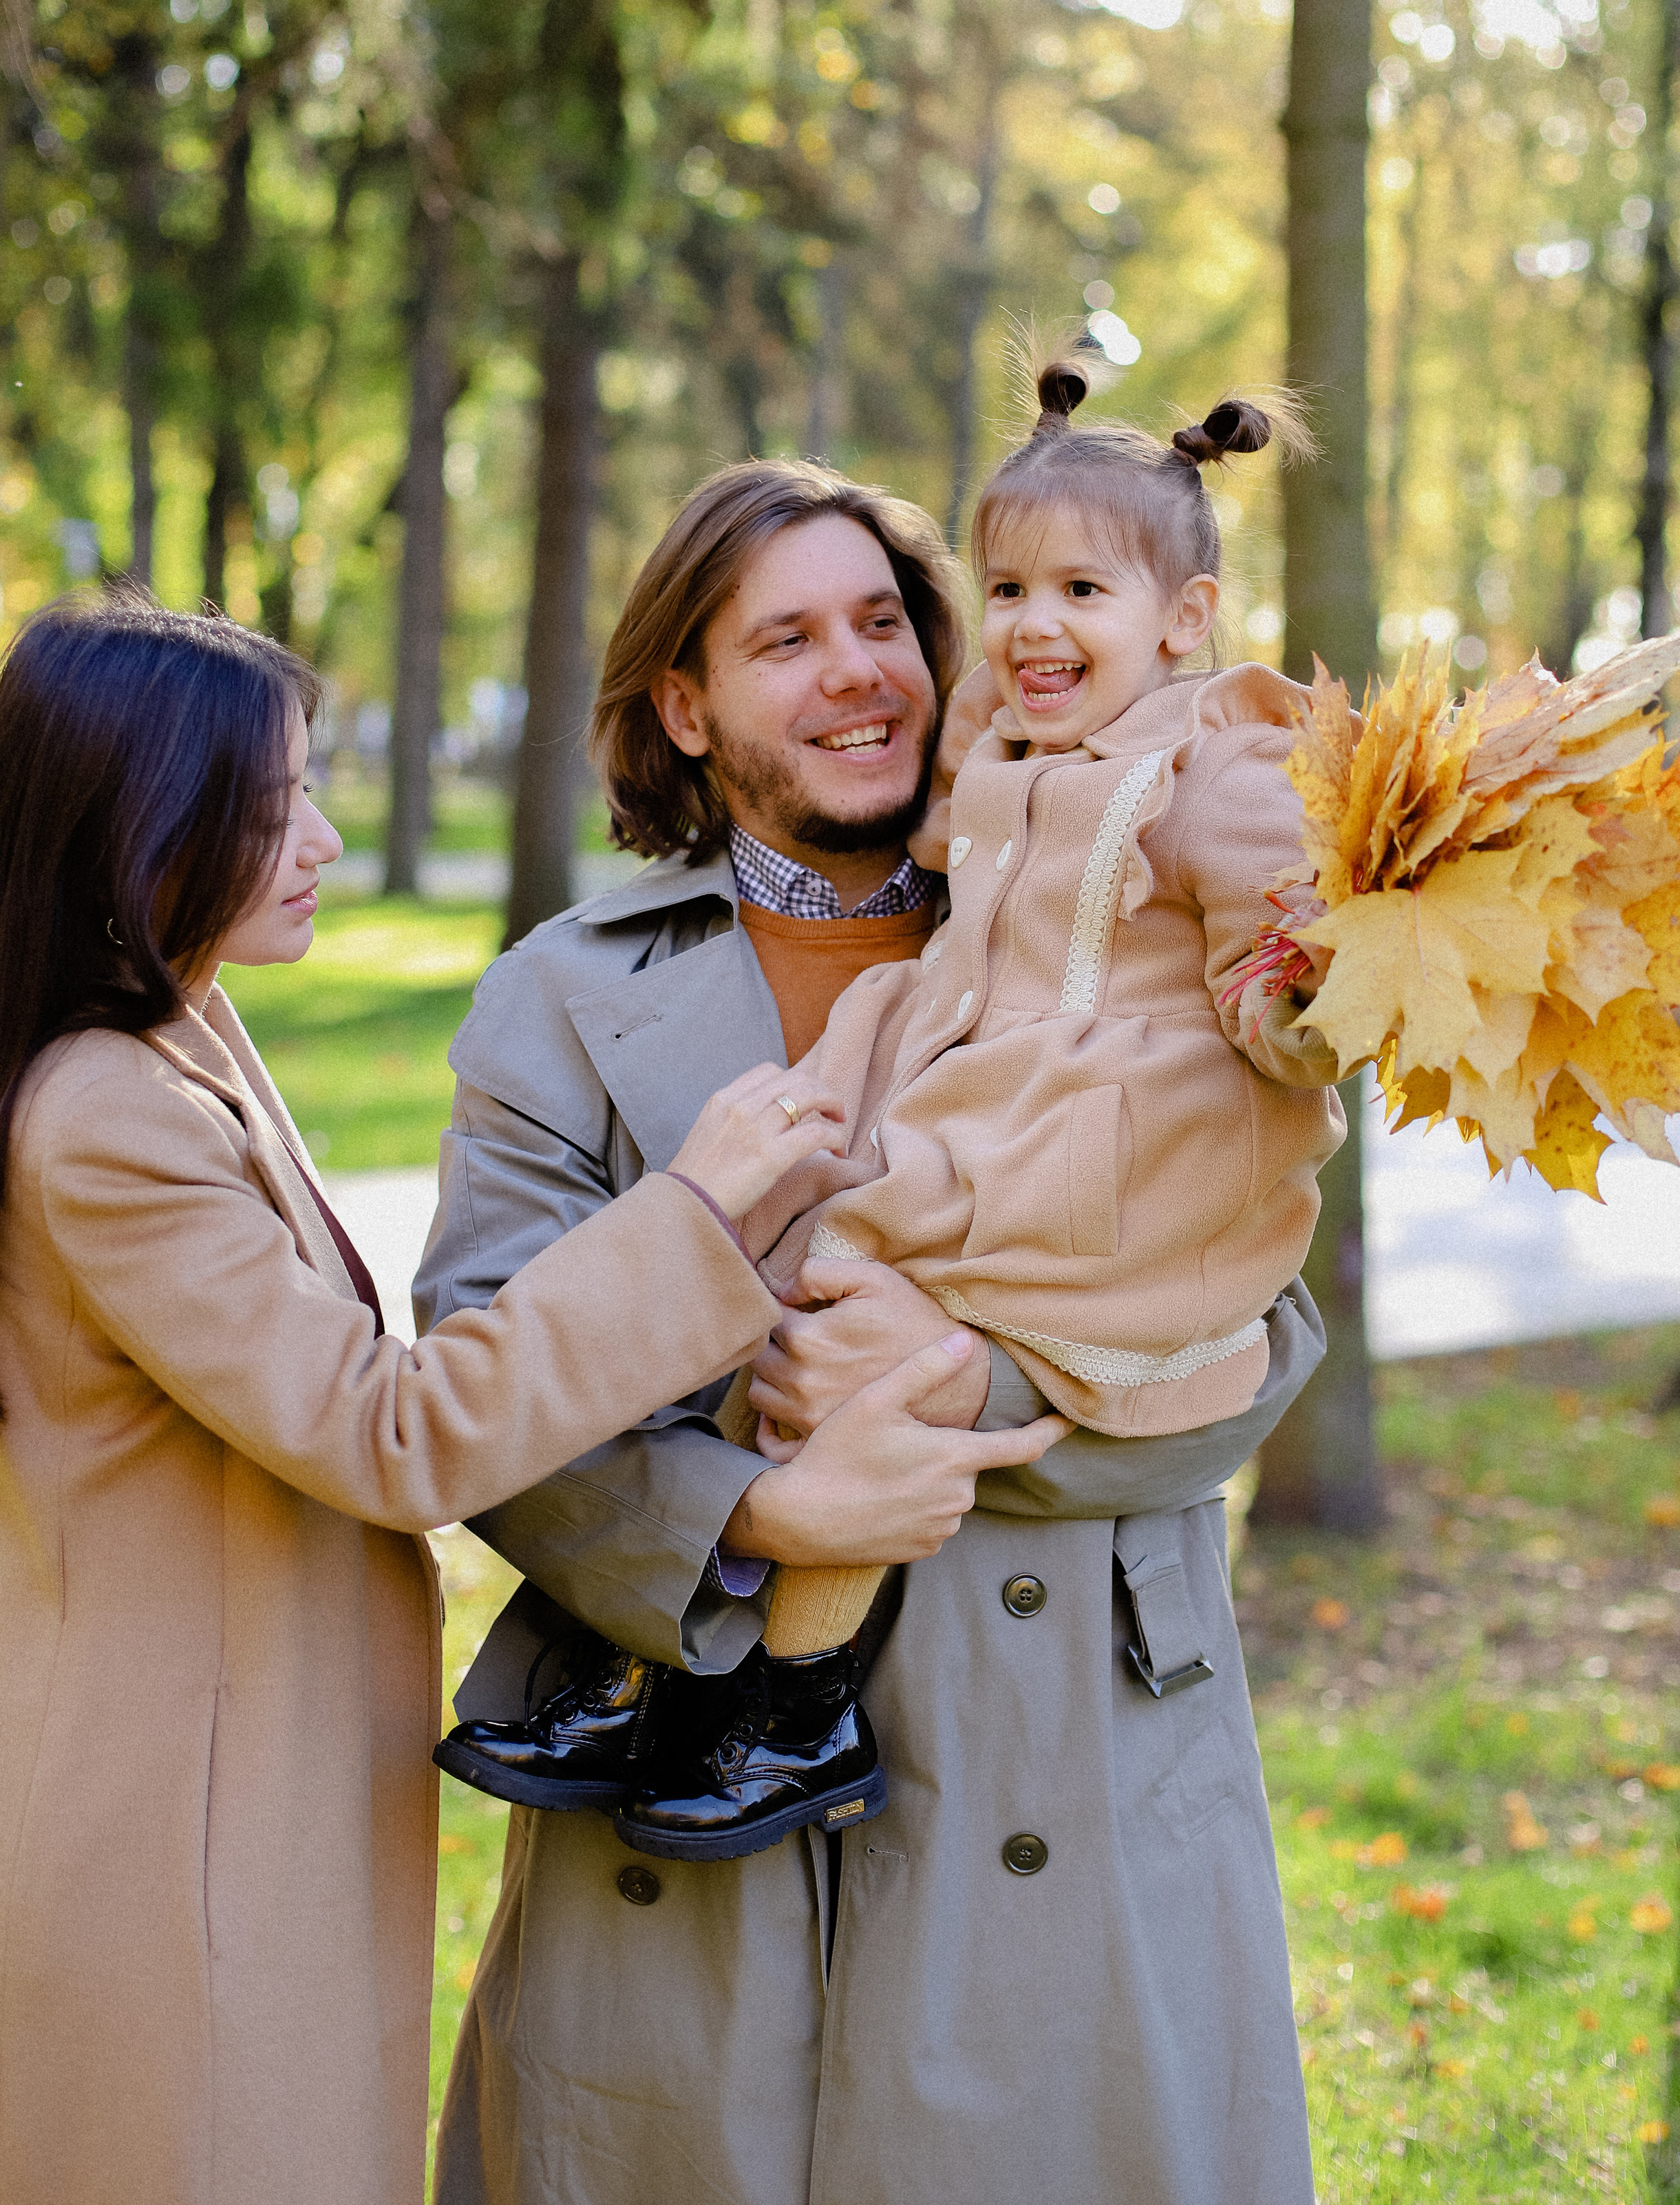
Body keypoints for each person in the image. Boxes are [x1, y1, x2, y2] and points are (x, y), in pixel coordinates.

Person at [422, 456, 1329, 2205]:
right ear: (684, 708)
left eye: (880, 624)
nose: (856, 671)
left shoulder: (1113, 913)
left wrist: (960, 1384)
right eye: (784, 641)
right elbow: (477, 1375)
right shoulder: (562, 995)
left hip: (1067, 1736)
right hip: (690, 1768)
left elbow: (1261, 1335)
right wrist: (752, 1515)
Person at [0, 591, 948, 2205]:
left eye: (311, 785)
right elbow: (390, 1432)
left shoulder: (179, 1034)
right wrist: (697, 1216)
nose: (317, 834)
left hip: (247, 1793)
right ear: (133, 817)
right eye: (267, 802)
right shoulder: (107, 1114)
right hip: (179, 1832)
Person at [605, 360, 1346, 1858]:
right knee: (794, 1267)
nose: (1030, 626)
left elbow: (1277, 992)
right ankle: (689, 1678)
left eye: (1081, 590)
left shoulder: (1219, 764)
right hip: (981, 1070)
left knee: (860, 1323)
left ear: (1181, 622)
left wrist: (1303, 1002)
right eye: (1005, 589)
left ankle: (796, 1701)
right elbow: (962, 841)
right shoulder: (1006, 742)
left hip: (1110, 1134)